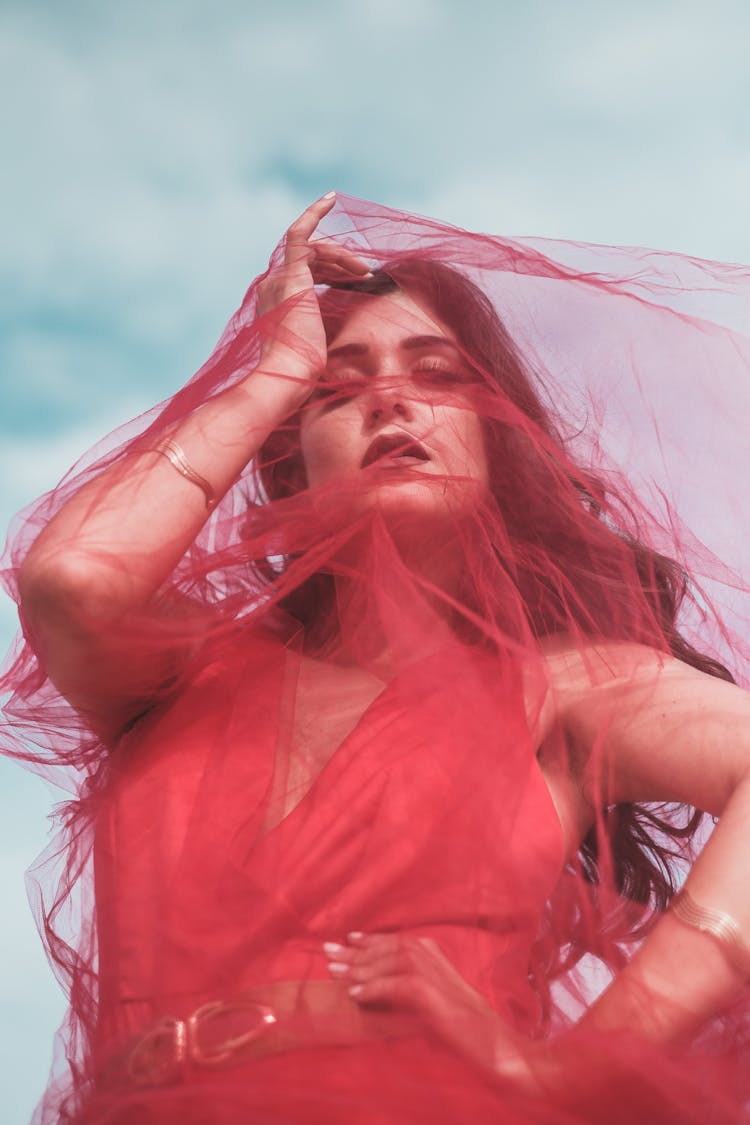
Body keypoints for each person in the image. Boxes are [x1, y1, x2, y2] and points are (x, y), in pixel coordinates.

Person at [2, 191, 750, 1124]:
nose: (389, 398)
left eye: (437, 374)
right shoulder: (178, 674)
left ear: (497, 438)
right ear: (289, 461)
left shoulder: (561, 689)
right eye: (337, 390)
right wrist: (278, 366)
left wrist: (578, 1068)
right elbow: (73, 579)